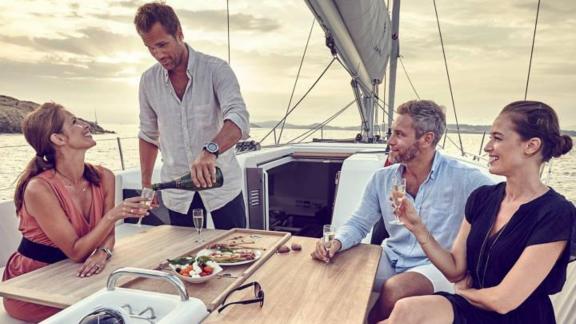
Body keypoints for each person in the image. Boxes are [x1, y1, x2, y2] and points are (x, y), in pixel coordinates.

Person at [387, 100, 575, 324]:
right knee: (407, 310)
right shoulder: (483, 198)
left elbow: (503, 300)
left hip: (517, 318)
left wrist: (462, 293)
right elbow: (456, 270)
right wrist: (417, 227)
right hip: (476, 310)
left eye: (497, 138)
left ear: (531, 146)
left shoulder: (555, 213)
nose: (487, 147)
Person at [311, 100, 494, 322]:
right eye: (391, 133)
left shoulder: (466, 179)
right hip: (391, 257)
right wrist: (336, 242)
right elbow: (359, 223)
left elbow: (506, 204)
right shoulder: (382, 179)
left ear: (427, 139)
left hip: (436, 266)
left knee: (396, 289)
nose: (390, 141)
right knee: (334, 268)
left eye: (399, 134)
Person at [2, 103, 150, 322]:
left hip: (78, 272)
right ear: (58, 139)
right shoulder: (39, 189)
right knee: (122, 309)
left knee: (144, 292)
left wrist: (103, 253)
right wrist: (114, 215)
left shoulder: (104, 177)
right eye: (74, 122)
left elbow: (108, 235)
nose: (85, 124)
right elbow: (76, 252)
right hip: (33, 284)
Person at [134, 2, 250, 229]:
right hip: (178, 194)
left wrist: (210, 151)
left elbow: (239, 118)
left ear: (179, 33)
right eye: (150, 48)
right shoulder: (148, 81)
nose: (158, 54)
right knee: (184, 260)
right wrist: (146, 183)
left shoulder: (216, 70)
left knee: (238, 254)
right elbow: (148, 135)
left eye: (162, 44)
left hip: (222, 188)